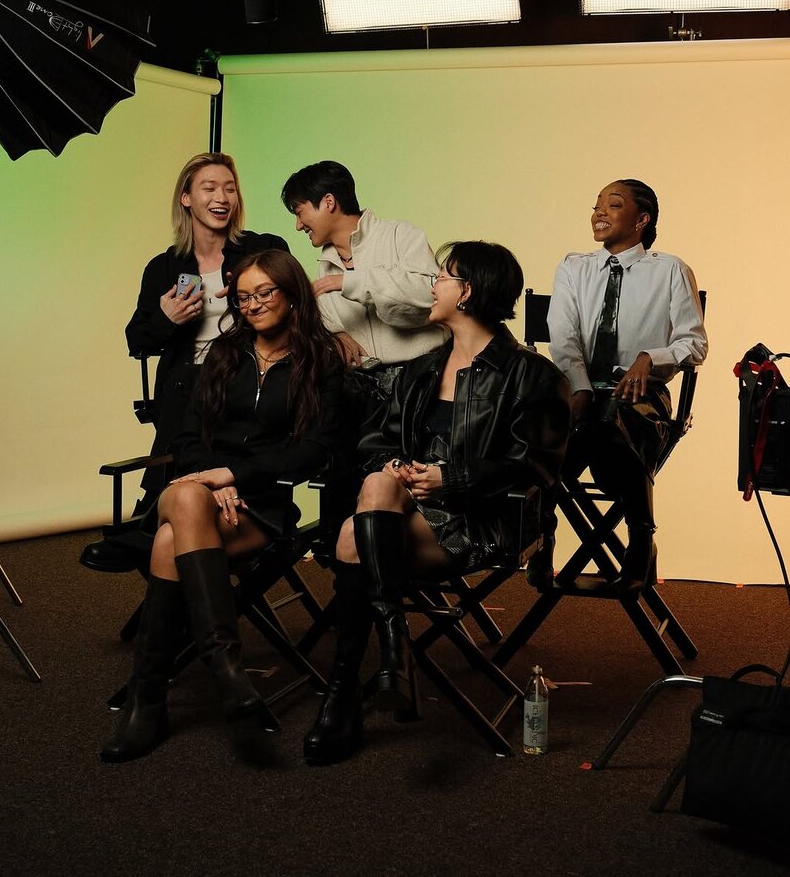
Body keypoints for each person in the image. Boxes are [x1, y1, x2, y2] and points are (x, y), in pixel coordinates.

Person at [302, 241, 571, 765]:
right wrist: (398, 466)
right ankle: (384, 661)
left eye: (443, 277)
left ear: (466, 292)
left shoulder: (533, 375)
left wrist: (452, 478)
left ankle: (355, 685)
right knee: (377, 486)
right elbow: (375, 442)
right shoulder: (422, 369)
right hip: (401, 514)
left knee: (352, 535)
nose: (432, 285)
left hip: (482, 521)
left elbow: (538, 467)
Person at [100, 250, 344, 762]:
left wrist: (234, 476)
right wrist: (211, 480)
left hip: (260, 507)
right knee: (188, 496)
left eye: (265, 293)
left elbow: (314, 450)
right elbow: (187, 437)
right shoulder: (223, 353)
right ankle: (225, 668)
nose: (253, 305)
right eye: (244, 297)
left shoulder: (320, 362)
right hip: (195, 489)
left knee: (169, 540)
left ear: (292, 294)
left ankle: (148, 700)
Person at [81, 152, 288, 571]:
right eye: (209, 188)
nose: (222, 197)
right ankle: (161, 519)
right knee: (187, 385)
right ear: (186, 198)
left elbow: (293, 302)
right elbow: (137, 340)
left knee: (205, 386)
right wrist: (166, 319)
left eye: (229, 189)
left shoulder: (261, 249)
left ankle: (152, 522)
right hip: (185, 392)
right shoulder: (165, 267)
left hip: (250, 381)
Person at [542, 178, 708, 592]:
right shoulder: (573, 268)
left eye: (613, 204)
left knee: (612, 419)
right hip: (578, 391)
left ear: (642, 220)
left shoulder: (670, 270)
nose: (599, 212)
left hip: (640, 397)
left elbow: (694, 343)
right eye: (596, 205)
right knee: (534, 432)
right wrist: (580, 387)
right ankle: (541, 538)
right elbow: (562, 338)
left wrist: (650, 358)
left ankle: (640, 541)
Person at [281, 161, 444, 392]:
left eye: (300, 213)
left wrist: (350, 282)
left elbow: (431, 297)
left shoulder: (400, 235)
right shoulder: (325, 266)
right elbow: (320, 324)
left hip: (425, 378)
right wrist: (335, 336)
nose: (298, 226)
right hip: (364, 389)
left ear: (328, 202)